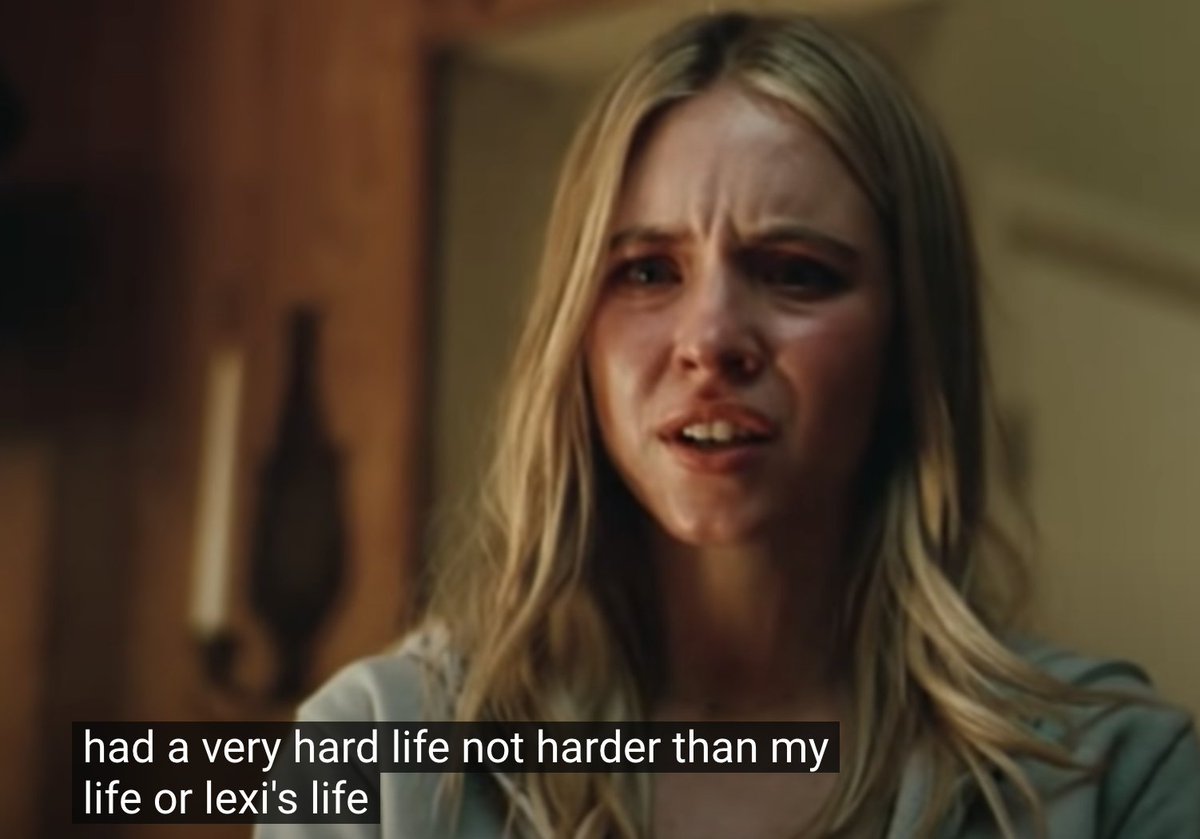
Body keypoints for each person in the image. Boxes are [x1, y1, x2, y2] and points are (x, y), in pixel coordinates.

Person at [258, 11, 1200, 838]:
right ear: (574, 335)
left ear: (910, 341)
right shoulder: (376, 754)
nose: (710, 340)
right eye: (647, 272)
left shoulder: (1114, 777)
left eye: (795, 272)